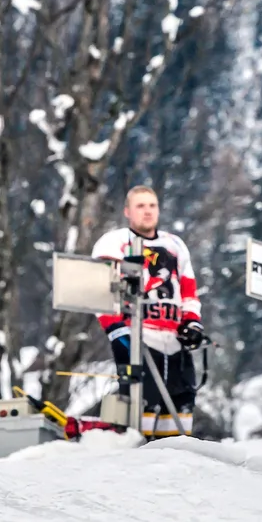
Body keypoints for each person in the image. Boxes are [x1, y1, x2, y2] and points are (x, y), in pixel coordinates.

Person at [91, 186, 206, 439]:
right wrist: (116, 331)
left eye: (152, 205)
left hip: (175, 341)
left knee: (182, 408)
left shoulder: (175, 244)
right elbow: (100, 290)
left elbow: (188, 290)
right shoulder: (113, 241)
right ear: (127, 211)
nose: (147, 211)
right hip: (138, 339)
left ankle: (176, 466)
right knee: (142, 410)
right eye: (140, 206)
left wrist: (193, 323)